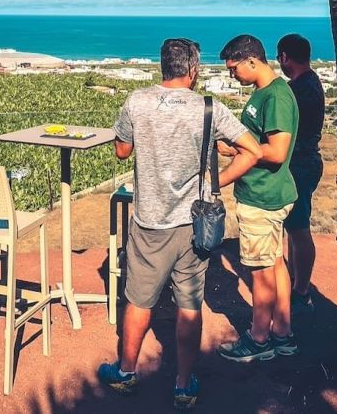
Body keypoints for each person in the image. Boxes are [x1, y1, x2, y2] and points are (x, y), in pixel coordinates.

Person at [98, 38, 262, 411]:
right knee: (190, 303)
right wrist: (217, 183)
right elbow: (252, 149)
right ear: (193, 70)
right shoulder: (209, 107)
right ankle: (184, 385)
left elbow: (122, 149)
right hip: (193, 223)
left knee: (139, 299)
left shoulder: (136, 102)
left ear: (162, 67)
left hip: (149, 222)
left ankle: (125, 371)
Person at [216, 34, 299, 363]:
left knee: (260, 271)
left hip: (262, 197)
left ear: (252, 60)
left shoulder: (275, 97)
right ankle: (282, 333)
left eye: (234, 68)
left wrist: (235, 149)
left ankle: (259, 339)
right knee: (275, 263)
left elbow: (277, 152)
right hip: (268, 192)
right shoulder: (265, 93)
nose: (231, 74)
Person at [277, 34, 325, 314]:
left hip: (300, 164)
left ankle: (302, 290)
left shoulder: (297, 89)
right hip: (307, 162)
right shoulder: (312, 83)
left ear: (285, 57)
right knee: (296, 228)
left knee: (298, 229)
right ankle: (297, 282)